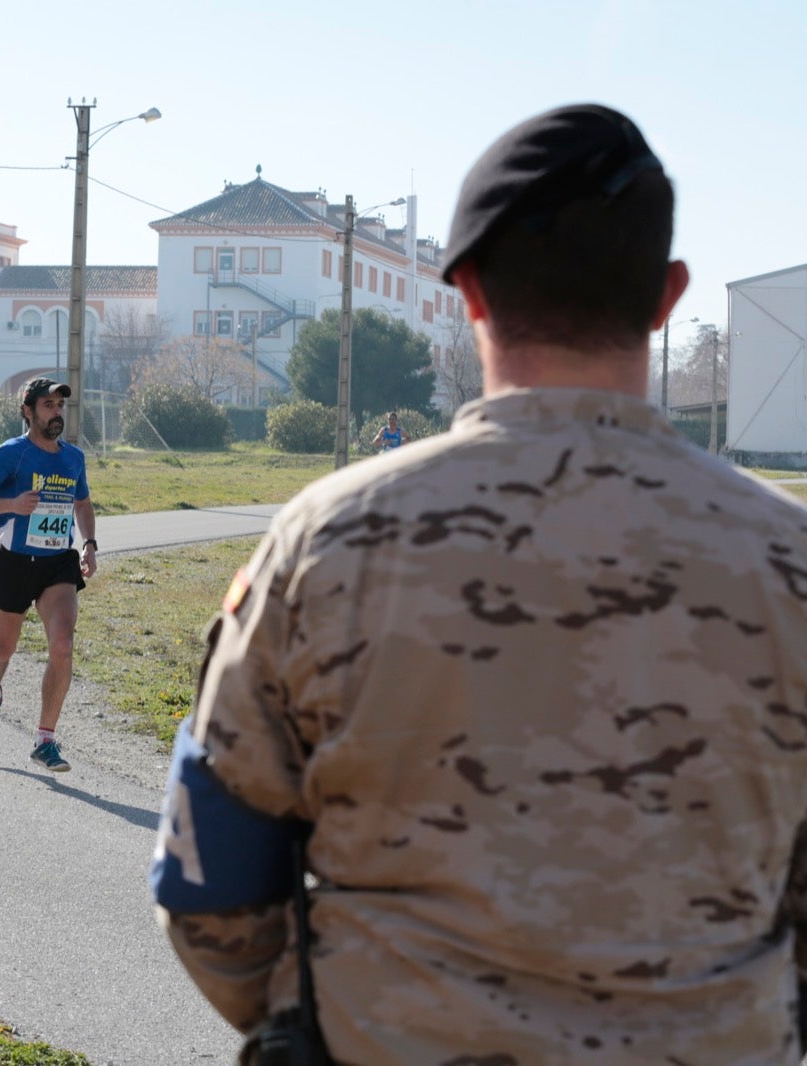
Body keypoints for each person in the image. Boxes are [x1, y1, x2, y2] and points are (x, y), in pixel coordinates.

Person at [151, 103, 807, 1064]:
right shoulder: (786, 561)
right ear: (667, 295)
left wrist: (317, 1023)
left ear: (465, 290)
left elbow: (211, 886)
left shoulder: (328, 542)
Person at [0, 377, 97, 773]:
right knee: (2, 651)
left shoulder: (73, 458)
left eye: (60, 406)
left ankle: (45, 739)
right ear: (28, 411)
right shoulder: (12, 454)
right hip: (16, 563)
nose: (56, 413)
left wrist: (89, 544)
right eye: (48, 405)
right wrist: (12, 504)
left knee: (63, 644)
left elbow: (83, 505)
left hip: (58, 564)